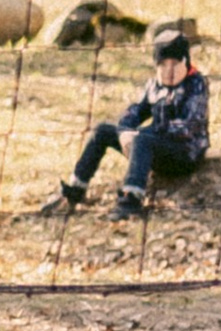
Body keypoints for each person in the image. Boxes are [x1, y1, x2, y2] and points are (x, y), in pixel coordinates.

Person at [56, 25, 211, 219]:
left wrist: (142, 136)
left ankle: (131, 200)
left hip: (184, 152)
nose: (169, 71)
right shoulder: (154, 85)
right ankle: (75, 188)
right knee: (103, 131)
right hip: (153, 144)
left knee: (142, 140)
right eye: (163, 65)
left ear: (186, 62)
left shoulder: (196, 85)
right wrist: (124, 131)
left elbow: (187, 127)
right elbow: (137, 109)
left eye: (175, 64)